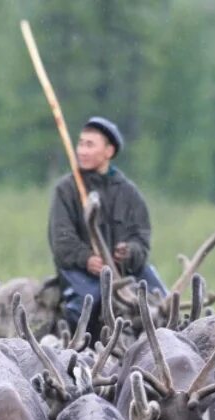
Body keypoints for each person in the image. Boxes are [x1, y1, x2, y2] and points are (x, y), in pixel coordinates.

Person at [48, 116, 166, 334]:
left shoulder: (129, 193)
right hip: (81, 272)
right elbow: (61, 239)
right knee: (88, 304)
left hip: (124, 273)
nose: (81, 150)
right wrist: (87, 259)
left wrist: (129, 252)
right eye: (81, 143)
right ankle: (76, 350)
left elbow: (141, 238)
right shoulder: (66, 189)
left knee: (163, 304)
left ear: (109, 152)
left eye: (89, 145)